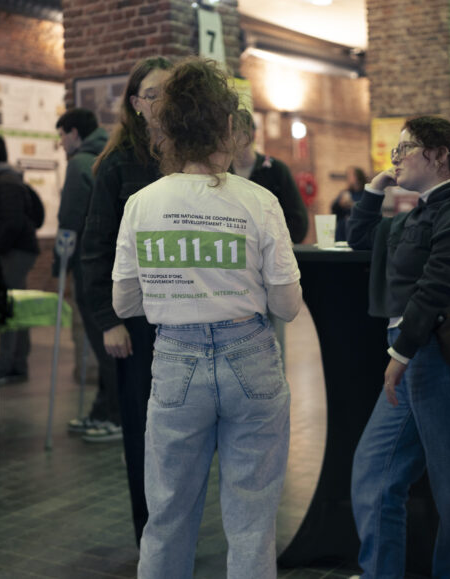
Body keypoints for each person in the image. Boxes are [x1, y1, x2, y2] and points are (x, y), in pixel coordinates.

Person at [112, 58, 302, 579]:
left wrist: (177, 287)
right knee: (252, 519)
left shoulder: (141, 204)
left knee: (168, 516)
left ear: (165, 130)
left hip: (175, 360)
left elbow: (125, 303)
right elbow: (287, 306)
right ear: (228, 127)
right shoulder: (259, 201)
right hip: (252, 359)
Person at [346, 116, 450, 578]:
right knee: (375, 473)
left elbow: (444, 283)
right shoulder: (423, 207)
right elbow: (361, 241)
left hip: (440, 357)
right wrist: (375, 190)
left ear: (437, 155)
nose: (395, 160)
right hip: (418, 357)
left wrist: (401, 353)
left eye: (404, 150)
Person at [80, 56, 171, 545]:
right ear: (135, 104)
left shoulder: (188, 156)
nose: (163, 103)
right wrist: (108, 321)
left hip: (184, 319)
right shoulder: (117, 165)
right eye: (154, 94)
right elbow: (94, 251)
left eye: (171, 94)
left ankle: (176, 528)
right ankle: (150, 538)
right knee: (142, 433)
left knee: (182, 435)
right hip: (136, 322)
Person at [54, 108, 122, 442]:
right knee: (107, 343)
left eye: (62, 135)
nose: (61, 143)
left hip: (89, 262)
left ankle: (114, 415)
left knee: (104, 344)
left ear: (74, 133)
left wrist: (59, 265)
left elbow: (70, 218)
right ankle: (102, 409)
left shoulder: (80, 162)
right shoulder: (110, 154)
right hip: (114, 262)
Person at [0, 135, 40, 384]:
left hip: (15, 251)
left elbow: (12, 222)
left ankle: (6, 365)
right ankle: (16, 364)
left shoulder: (5, 182)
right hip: (16, 249)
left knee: (8, 308)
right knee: (15, 306)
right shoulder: (6, 180)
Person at [230, 109, 308, 243]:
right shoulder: (221, 173)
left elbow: (298, 222)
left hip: (268, 254)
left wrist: (274, 244)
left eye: (239, 132)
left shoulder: (276, 170)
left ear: (252, 134)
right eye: (230, 132)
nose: (233, 138)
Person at [330, 166, 367, 242]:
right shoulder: (345, 193)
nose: (348, 177)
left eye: (350, 175)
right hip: (342, 234)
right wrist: (339, 204)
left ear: (358, 177)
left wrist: (352, 204)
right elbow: (333, 210)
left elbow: (367, 210)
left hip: (359, 234)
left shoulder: (366, 194)